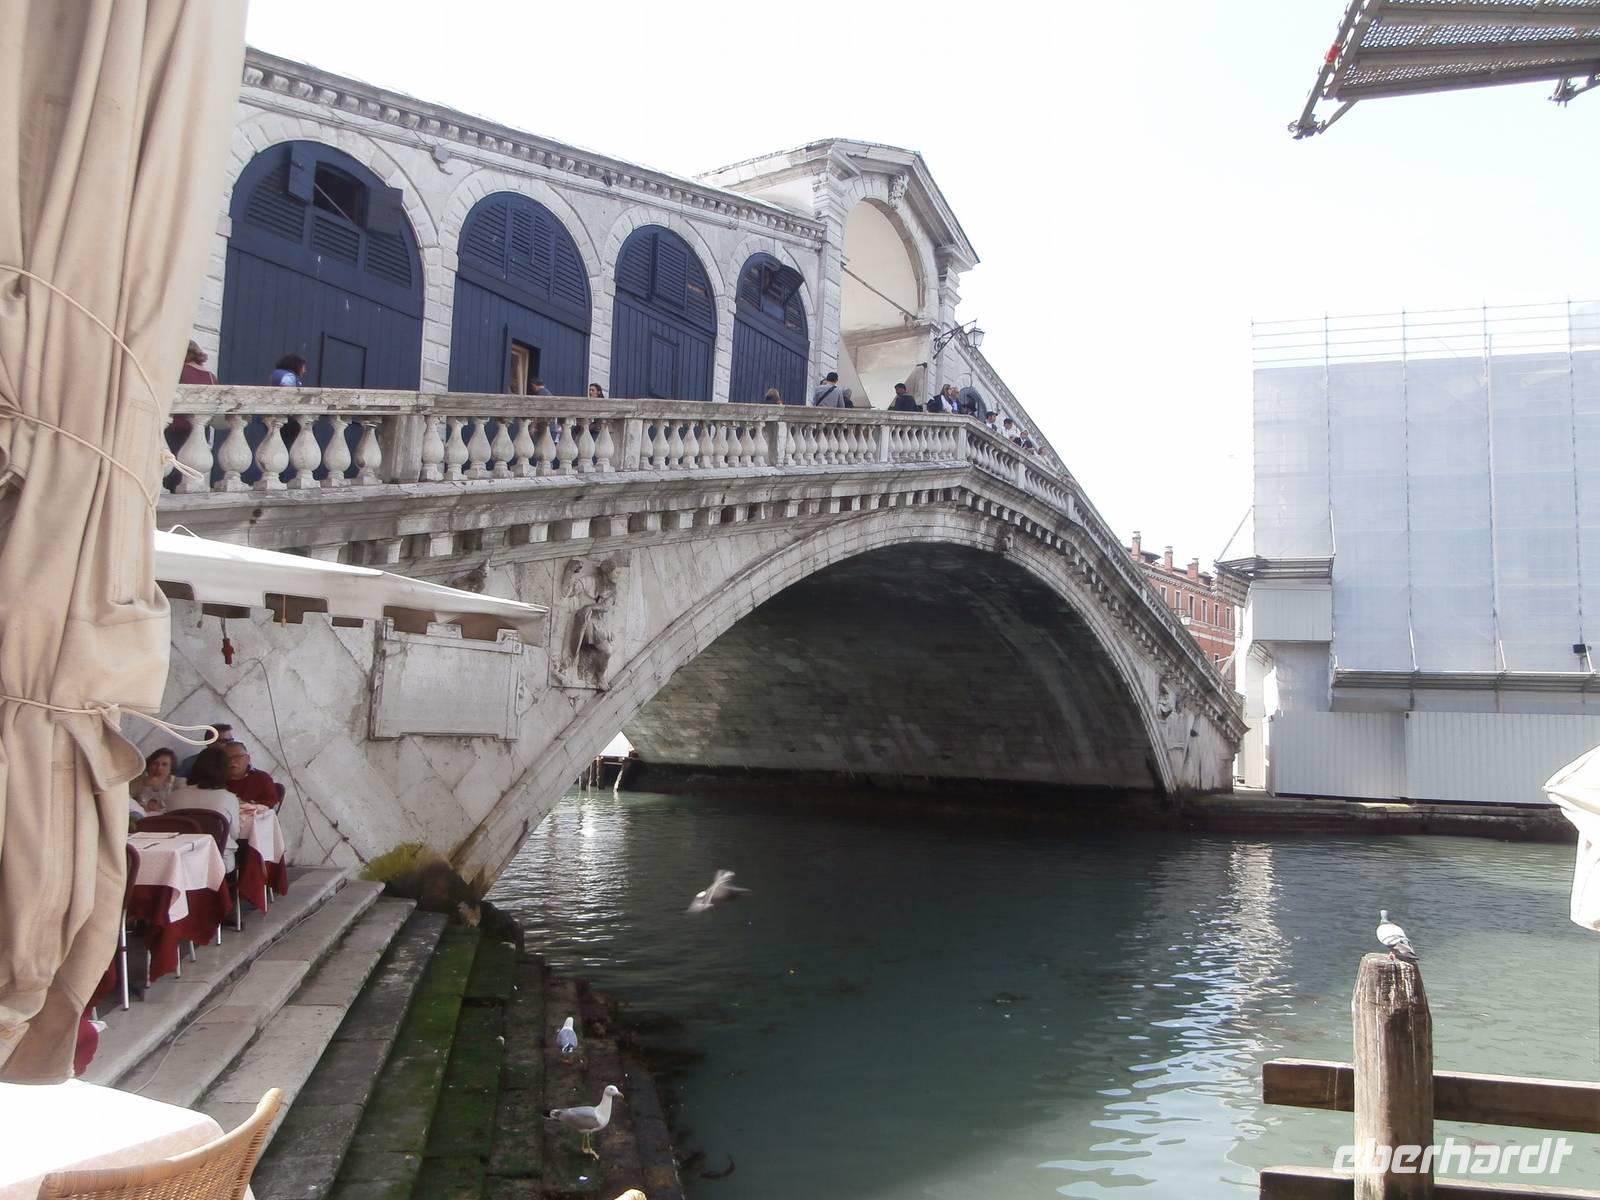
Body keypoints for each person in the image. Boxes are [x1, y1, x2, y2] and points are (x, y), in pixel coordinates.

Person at [166, 745, 240, 872]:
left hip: (179, 859)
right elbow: (234, 833)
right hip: (216, 860)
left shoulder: (175, 795)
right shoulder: (229, 798)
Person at [223, 741, 281, 811]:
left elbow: (272, 802)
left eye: (237, 757)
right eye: (227, 758)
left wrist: (249, 805)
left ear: (248, 758)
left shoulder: (261, 778)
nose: (232, 761)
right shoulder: (216, 780)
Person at [130, 747, 182, 818]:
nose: (159, 768)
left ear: (171, 767)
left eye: (164, 764)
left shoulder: (178, 783)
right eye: (155, 763)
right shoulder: (138, 781)